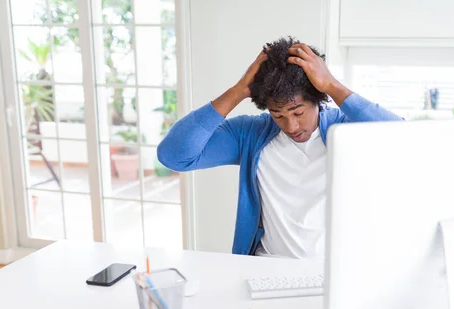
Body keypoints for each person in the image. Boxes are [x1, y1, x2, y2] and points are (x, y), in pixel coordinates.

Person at [157, 36, 402, 260]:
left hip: (333, 270)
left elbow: (402, 138)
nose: (291, 125)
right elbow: (174, 156)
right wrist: (238, 91)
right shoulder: (250, 134)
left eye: (298, 112)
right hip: (267, 266)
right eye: (278, 115)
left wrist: (332, 85)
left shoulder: (346, 130)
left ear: (318, 98)